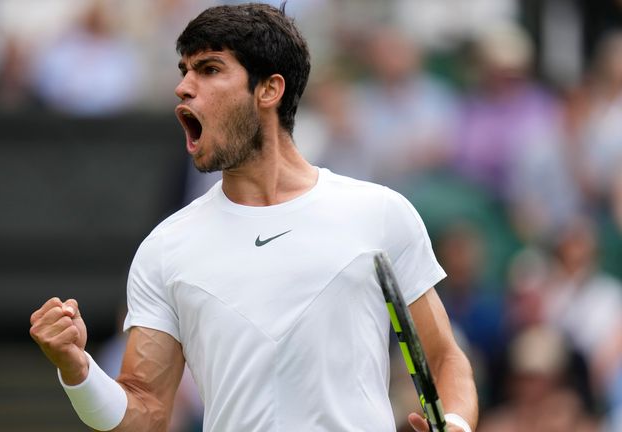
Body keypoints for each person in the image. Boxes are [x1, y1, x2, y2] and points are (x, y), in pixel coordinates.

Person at [29, 4, 477, 431]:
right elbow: (145, 414)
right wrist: (79, 370)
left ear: (269, 89)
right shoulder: (165, 248)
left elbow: (444, 360)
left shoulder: (381, 214)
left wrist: (454, 423)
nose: (184, 87)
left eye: (208, 69)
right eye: (184, 70)